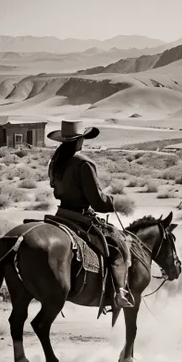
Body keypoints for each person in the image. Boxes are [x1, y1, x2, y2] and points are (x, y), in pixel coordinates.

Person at [47, 119, 133, 308]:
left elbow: (55, 189)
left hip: (61, 214)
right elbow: (97, 202)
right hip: (80, 216)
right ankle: (120, 292)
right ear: (79, 140)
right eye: (83, 138)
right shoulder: (84, 163)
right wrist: (110, 202)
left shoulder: (57, 162)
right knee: (118, 244)